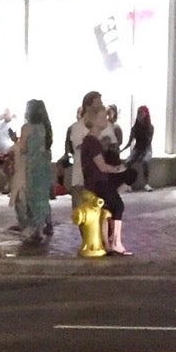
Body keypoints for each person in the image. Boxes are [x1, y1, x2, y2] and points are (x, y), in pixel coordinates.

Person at [78, 103, 131, 254]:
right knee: (118, 206)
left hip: (94, 182)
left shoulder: (91, 140)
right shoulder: (92, 142)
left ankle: (109, 242)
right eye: (102, 117)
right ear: (94, 120)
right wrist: (118, 169)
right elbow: (101, 166)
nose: (106, 120)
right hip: (98, 183)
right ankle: (115, 242)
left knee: (109, 207)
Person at [13, 99, 54, 245]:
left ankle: (35, 229)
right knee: (42, 196)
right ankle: (44, 225)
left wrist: (15, 141)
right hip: (43, 164)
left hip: (32, 165)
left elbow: (23, 148)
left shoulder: (27, 128)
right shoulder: (45, 128)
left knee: (31, 197)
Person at [126, 105, 155, 189]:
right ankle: (128, 183)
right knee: (128, 161)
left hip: (147, 148)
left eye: (141, 113)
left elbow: (149, 141)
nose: (139, 115)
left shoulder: (150, 127)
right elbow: (130, 142)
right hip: (137, 148)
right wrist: (121, 150)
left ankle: (146, 183)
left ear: (146, 114)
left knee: (145, 161)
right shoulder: (134, 128)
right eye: (138, 113)